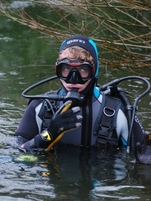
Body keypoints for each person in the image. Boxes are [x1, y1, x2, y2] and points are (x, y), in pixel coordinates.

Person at [14, 34, 150, 162]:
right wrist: (49, 133)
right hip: (53, 183)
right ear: (57, 71)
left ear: (94, 71)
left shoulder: (119, 111)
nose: (73, 79)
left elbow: (143, 162)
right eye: (66, 69)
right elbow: (16, 156)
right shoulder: (40, 107)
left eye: (83, 70)